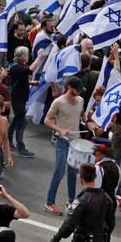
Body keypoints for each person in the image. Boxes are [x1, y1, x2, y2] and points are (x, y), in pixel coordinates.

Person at [43, 77, 84, 215]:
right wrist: (59, 130)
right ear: (69, 87)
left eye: (79, 90)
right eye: (76, 89)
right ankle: (49, 203)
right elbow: (47, 120)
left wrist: (88, 120)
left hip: (75, 142)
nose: (78, 92)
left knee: (72, 172)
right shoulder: (58, 102)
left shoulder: (81, 100)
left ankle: (71, 201)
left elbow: (81, 115)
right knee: (59, 172)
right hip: (62, 141)